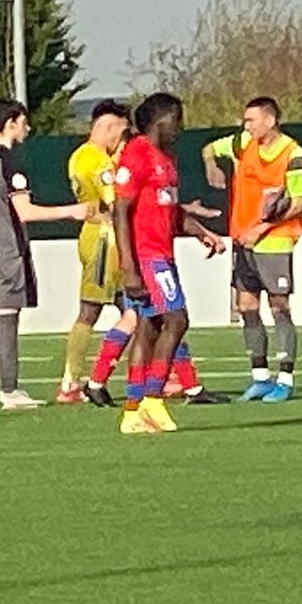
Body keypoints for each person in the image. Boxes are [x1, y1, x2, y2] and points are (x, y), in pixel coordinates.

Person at [0, 100, 90, 410]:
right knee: (8, 318)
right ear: (10, 123)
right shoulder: (8, 162)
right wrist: (72, 211)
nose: (27, 128)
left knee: (6, 314)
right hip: (8, 248)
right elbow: (24, 211)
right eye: (24, 122)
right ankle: (9, 390)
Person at [114, 92, 226, 435]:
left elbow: (170, 210)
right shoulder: (136, 155)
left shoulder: (167, 160)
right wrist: (128, 266)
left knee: (149, 328)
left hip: (162, 253)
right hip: (147, 255)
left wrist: (199, 231)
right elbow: (119, 212)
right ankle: (153, 400)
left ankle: (132, 412)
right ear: (159, 121)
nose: (181, 127)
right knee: (177, 320)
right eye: (177, 119)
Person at [204, 96, 302, 401]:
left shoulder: (293, 153)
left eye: (251, 120)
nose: (246, 125)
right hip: (243, 240)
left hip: (275, 239)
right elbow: (209, 147)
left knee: (279, 306)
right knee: (246, 306)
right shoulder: (242, 144)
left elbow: (297, 202)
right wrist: (212, 166)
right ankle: (260, 377)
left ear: (270, 120)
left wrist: (261, 228)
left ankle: (286, 379)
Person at [59, 99, 130, 403]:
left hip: (89, 234)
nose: (122, 141)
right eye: (122, 133)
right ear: (110, 127)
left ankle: (163, 372)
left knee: (132, 308)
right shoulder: (100, 162)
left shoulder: (77, 157)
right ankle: (71, 383)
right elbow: (116, 204)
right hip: (105, 239)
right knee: (95, 310)